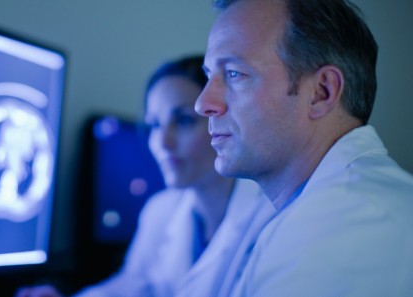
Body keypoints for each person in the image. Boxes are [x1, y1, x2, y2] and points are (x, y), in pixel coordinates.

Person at [193, 0, 413, 296]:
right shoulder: (320, 208)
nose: (203, 104)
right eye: (209, 76)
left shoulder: (344, 224)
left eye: (234, 73)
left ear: (321, 92)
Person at [16, 55, 270, 297]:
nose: (163, 143)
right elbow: (132, 286)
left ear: (223, 121)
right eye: (155, 125)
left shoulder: (268, 215)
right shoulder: (160, 210)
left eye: (183, 121)